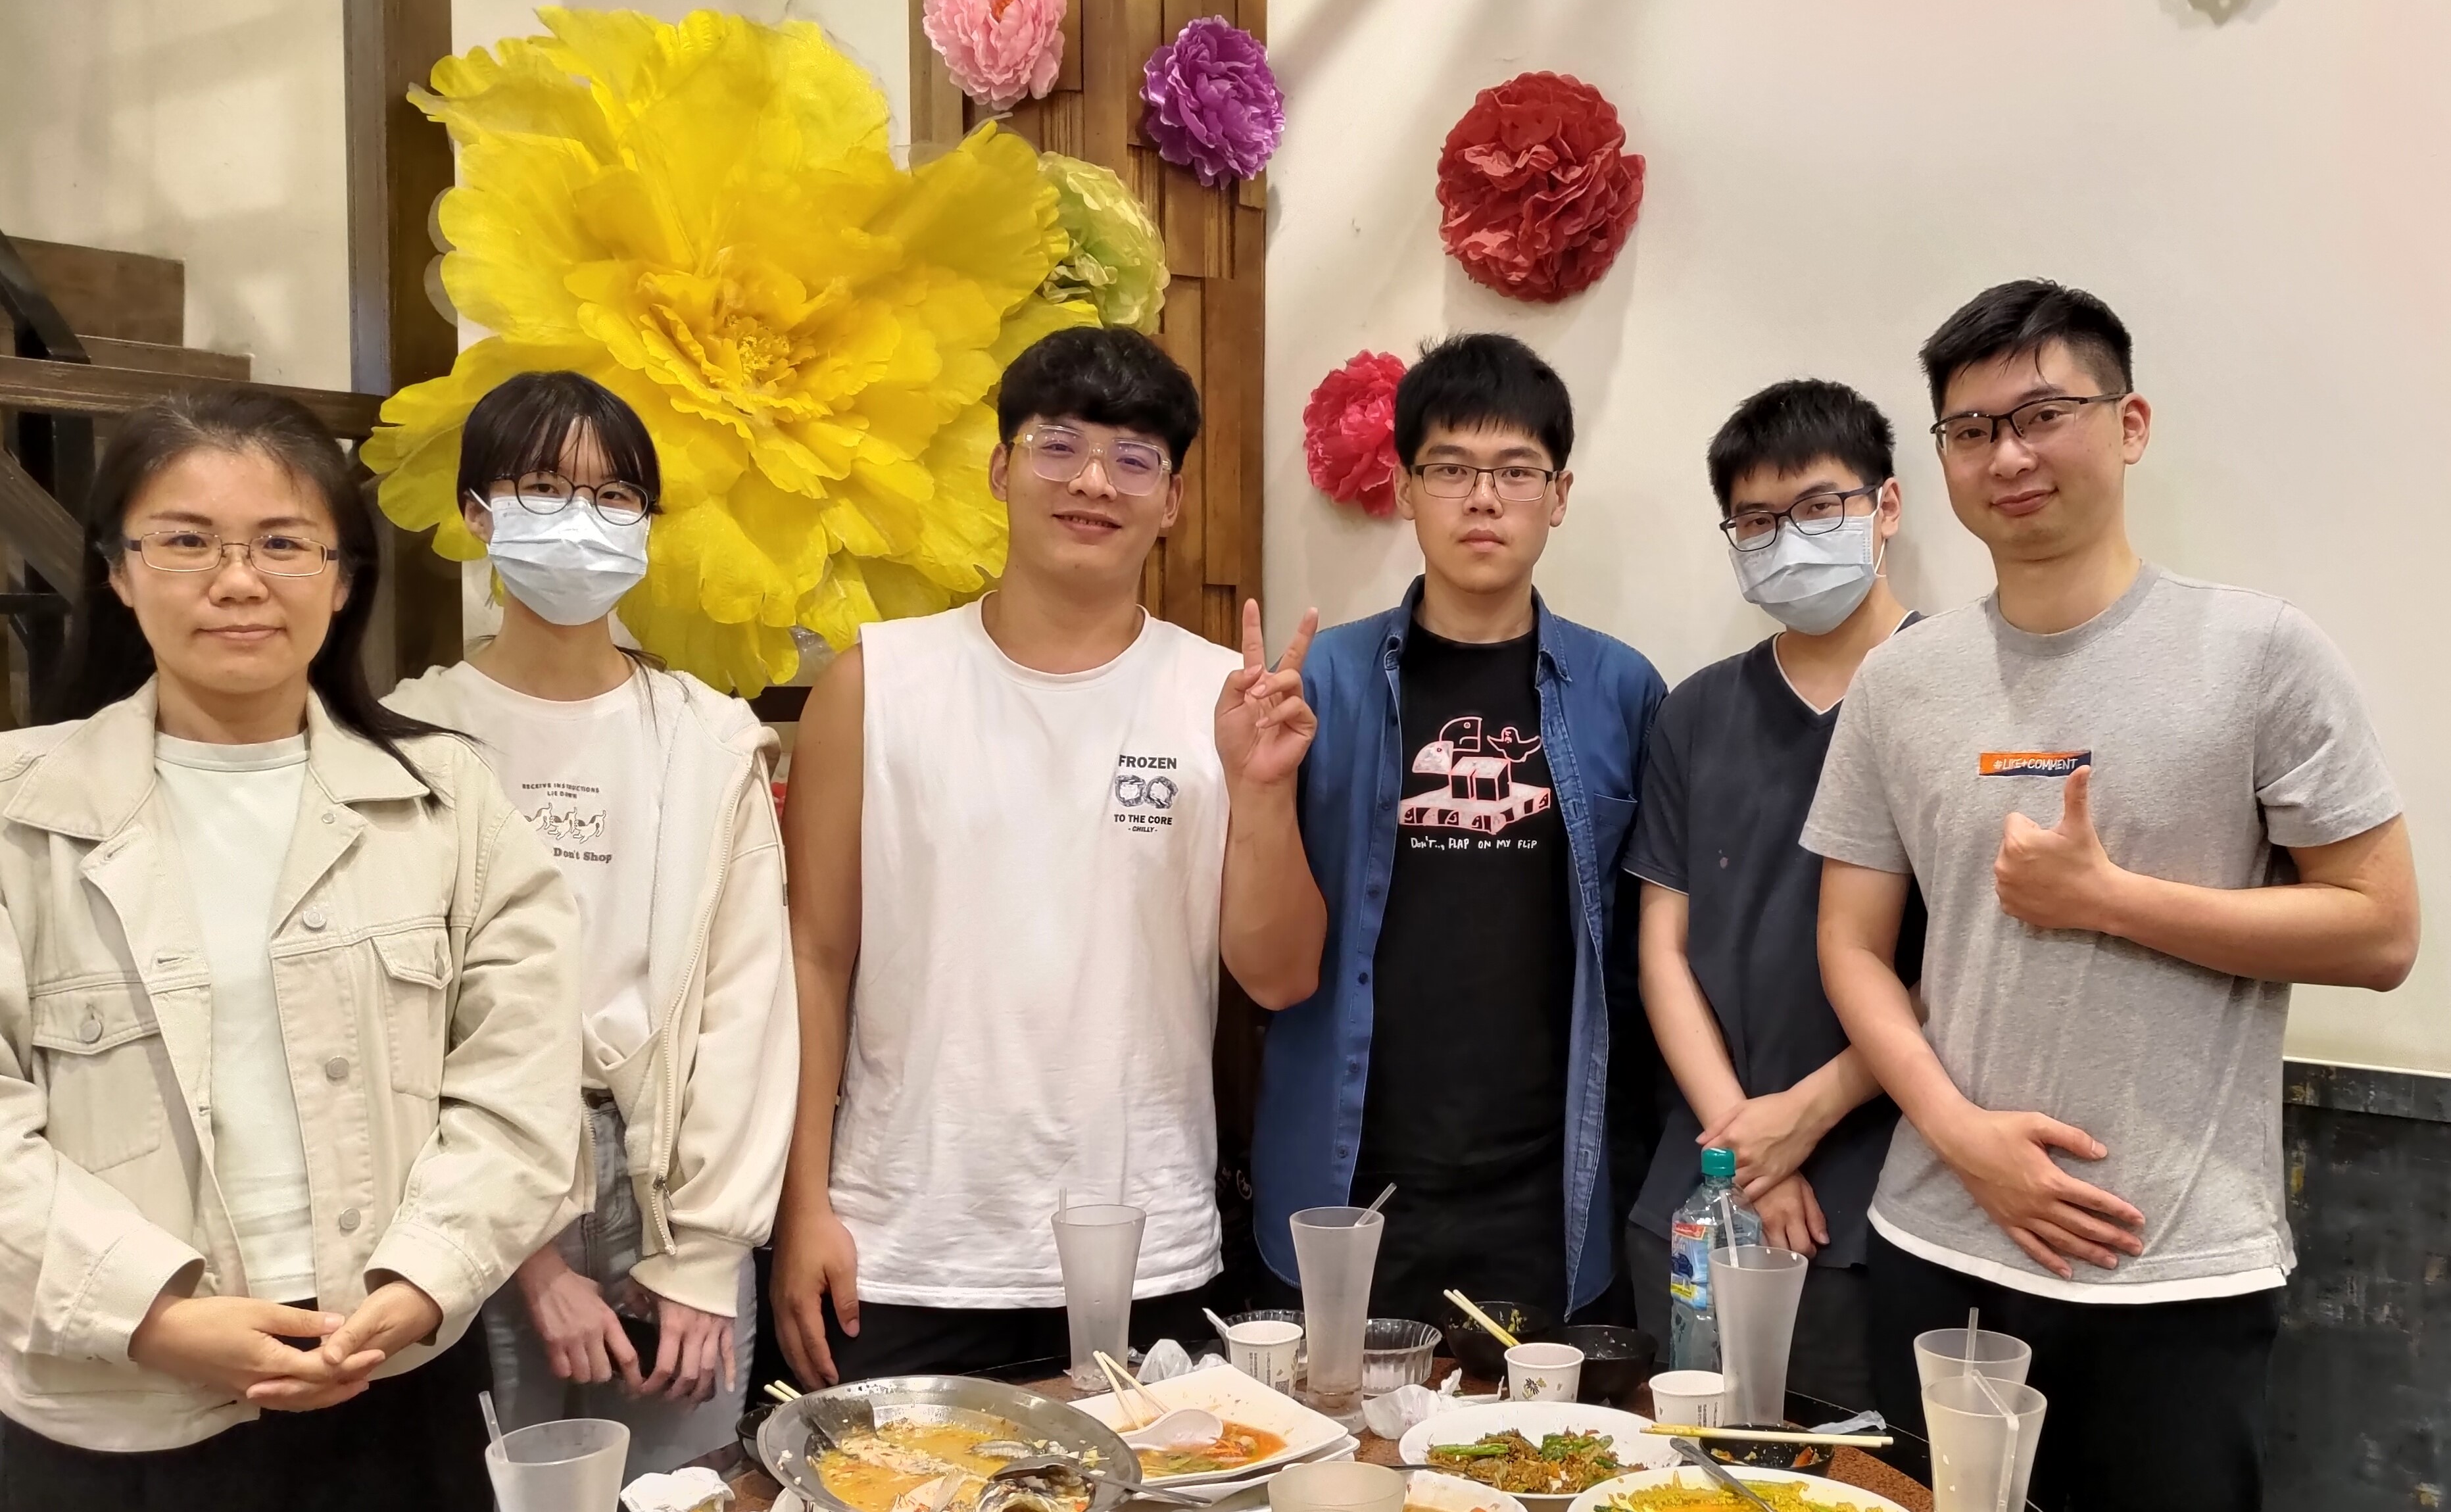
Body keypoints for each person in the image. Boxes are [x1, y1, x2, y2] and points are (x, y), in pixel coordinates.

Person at [1805, 280, 2420, 1511]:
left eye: (2045, 415)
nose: (2009, 456)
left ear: (2130, 425)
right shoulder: (1899, 681)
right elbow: (1851, 946)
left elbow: (2381, 928)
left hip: (2175, 1267)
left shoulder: (2260, 653)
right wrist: (1962, 1136)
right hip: (1939, 1245)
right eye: (1972, 429)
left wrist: (2107, 897)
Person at [0, 389, 582, 1509]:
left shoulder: (447, 799)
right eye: (185, 541)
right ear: (118, 570)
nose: (237, 580)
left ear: (343, 577)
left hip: (392, 1372)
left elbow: (524, 1075)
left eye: (281, 543)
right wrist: (153, 1313)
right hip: (115, 1407)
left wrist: (426, 1277)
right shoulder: (19, 806)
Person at [768, 326, 1326, 1383]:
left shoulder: (1221, 697)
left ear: (1173, 500)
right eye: (1058, 446)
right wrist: (801, 1205)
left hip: (1143, 1247)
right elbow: (814, 956)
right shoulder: (875, 683)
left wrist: (1260, 790)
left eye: (1134, 459)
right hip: (903, 1248)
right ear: (999, 468)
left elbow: (1280, 974)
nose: (1093, 482)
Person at [387, 371, 796, 1475]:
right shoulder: (410, 739)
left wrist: (705, 1253)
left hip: (677, 1178)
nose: (582, 518)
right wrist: (526, 1255)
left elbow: (748, 999)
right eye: (541, 487)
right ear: (477, 513)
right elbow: (401, 1023)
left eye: (614, 495)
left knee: (688, 1488)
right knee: (505, 1484)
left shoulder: (707, 739)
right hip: (472, 1186)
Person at [1253, 332, 1666, 1325]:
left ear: (1558, 495)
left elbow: (1645, 958)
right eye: (1450, 468)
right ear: (1405, 488)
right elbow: (1267, 964)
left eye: (1516, 470)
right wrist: (1254, 785)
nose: (1484, 498)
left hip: (1553, 1191)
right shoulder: (1321, 684)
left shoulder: (1622, 689)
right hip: (1347, 1178)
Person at [1622, 378, 1924, 1411]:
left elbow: (1975, 969)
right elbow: (1663, 949)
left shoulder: (1958, 690)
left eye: (1819, 506)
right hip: (1700, 1196)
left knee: (1853, 1469)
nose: (1788, 539)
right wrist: (1745, 1147)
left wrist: (1804, 1116)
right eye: (1757, 520)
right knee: (1680, 1464)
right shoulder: (1698, 711)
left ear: (1886, 506)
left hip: (1875, 1207)